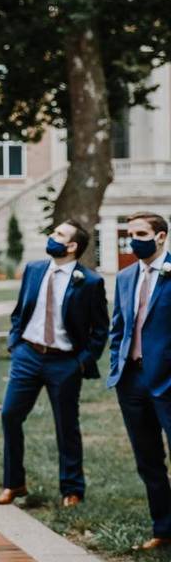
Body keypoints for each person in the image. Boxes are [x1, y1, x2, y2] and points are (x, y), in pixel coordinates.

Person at [0, 220, 108, 507]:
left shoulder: (90, 281)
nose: (51, 237)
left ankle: (72, 489)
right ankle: (13, 483)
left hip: (64, 362)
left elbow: (100, 330)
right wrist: (15, 342)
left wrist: (81, 362)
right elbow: (21, 310)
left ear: (71, 246)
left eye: (58, 234)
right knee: (9, 415)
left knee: (66, 425)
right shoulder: (34, 270)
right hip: (27, 356)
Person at [107, 212, 171, 551]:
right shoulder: (125, 276)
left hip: (168, 381)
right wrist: (116, 366)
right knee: (148, 459)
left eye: (142, 233)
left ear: (160, 236)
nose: (134, 239)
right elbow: (118, 325)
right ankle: (163, 528)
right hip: (132, 381)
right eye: (130, 233)